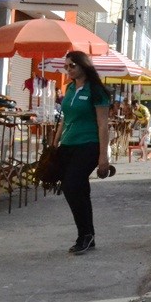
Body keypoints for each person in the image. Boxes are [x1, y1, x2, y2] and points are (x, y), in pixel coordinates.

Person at [54, 51, 111, 255]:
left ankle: (84, 235)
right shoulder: (69, 88)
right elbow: (64, 119)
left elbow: (103, 125)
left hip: (89, 144)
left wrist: (103, 157)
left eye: (72, 66)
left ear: (83, 66)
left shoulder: (96, 90)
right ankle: (87, 234)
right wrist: (55, 143)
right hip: (68, 145)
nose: (68, 70)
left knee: (71, 186)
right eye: (66, 66)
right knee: (78, 190)